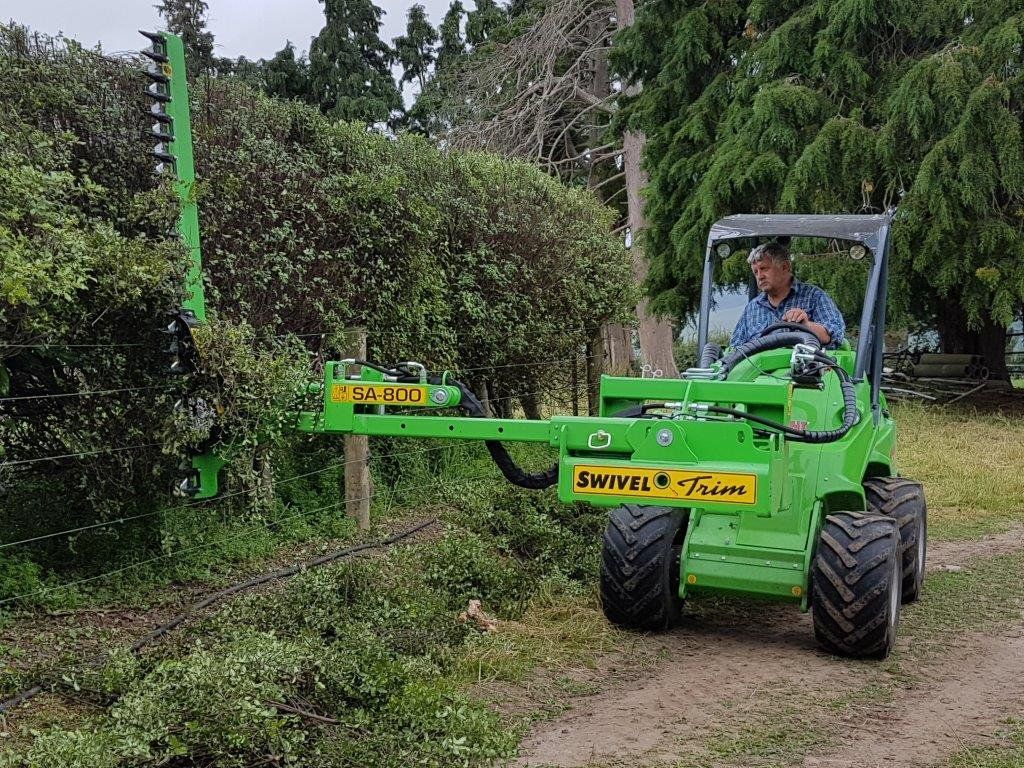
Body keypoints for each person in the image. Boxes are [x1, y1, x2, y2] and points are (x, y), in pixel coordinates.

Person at [730, 242, 845, 348]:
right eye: (756, 272)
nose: (760, 276)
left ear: (785, 267)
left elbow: (834, 336)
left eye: (764, 269)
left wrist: (806, 325)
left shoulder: (814, 297)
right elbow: (735, 348)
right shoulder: (752, 308)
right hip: (759, 368)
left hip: (804, 368)